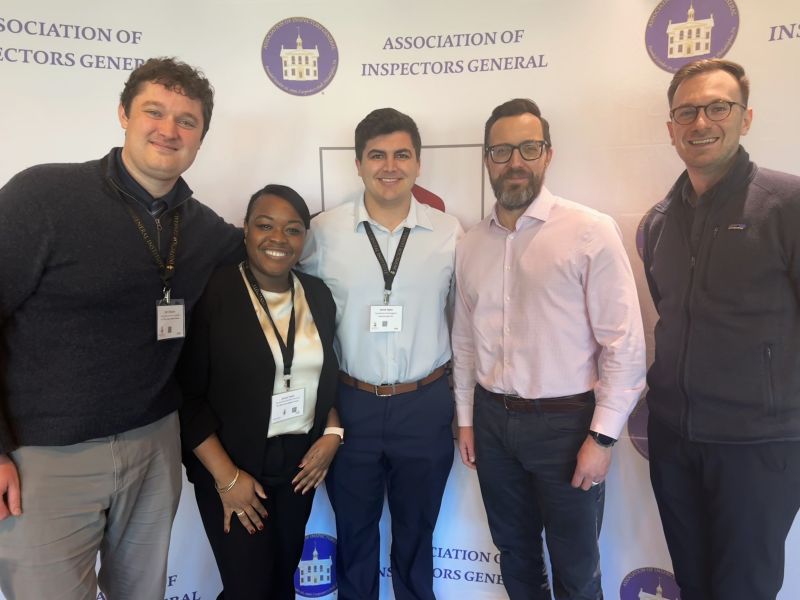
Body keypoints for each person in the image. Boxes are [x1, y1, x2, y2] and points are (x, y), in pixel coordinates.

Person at [0, 57, 243, 599]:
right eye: (154, 111)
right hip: (45, 459)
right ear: (123, 115)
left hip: (154, 447)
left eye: (187, 120)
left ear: (201, 137)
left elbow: (269, 249)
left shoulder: (200, 226)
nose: (169, 129)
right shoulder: (43, 196)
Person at [452, 98, 646, 600]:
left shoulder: (589, 231)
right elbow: (465, 340)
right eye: (501, 150)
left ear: (548, 154)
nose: (515, 161)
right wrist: (467, 419)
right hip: (492, 423)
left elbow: (623, 343)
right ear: (487, 159)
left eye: (529, 148)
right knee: (515, 556)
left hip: (567, 425)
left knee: (576, 569)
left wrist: (601, 438)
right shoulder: (470, 244)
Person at [639, 58, 800, 600]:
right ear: (671, 129)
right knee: (694, 583)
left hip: (759, 445)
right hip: (675, 439)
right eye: (687, 112)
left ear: (745, 118)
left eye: (718, 107)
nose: (701, 122)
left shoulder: (788, 205)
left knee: (745, 589)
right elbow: (670, 311)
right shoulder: (659, 221)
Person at [299, 107, 462, 600]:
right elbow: (298, 317)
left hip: (424, 403)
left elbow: (469, 323)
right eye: (377, 155)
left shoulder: (450, 233)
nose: (390, 166)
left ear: (418, 163)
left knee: (417, 533)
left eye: (401, 155)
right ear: (358, 164)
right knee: (354, 534)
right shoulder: (323, 232)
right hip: (352, 406)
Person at [178, 184, 342, 600]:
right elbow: (185, 394)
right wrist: (227, 478)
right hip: (233, 467)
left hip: (298, 469)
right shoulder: (212, 293)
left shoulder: (317, 295)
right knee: (247, 590)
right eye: (265, 225)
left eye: (293, 229)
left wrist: (332, 434)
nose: (278, 238)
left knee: (282, 586)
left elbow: (324, 378)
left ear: (304, 238)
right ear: (246, 229)